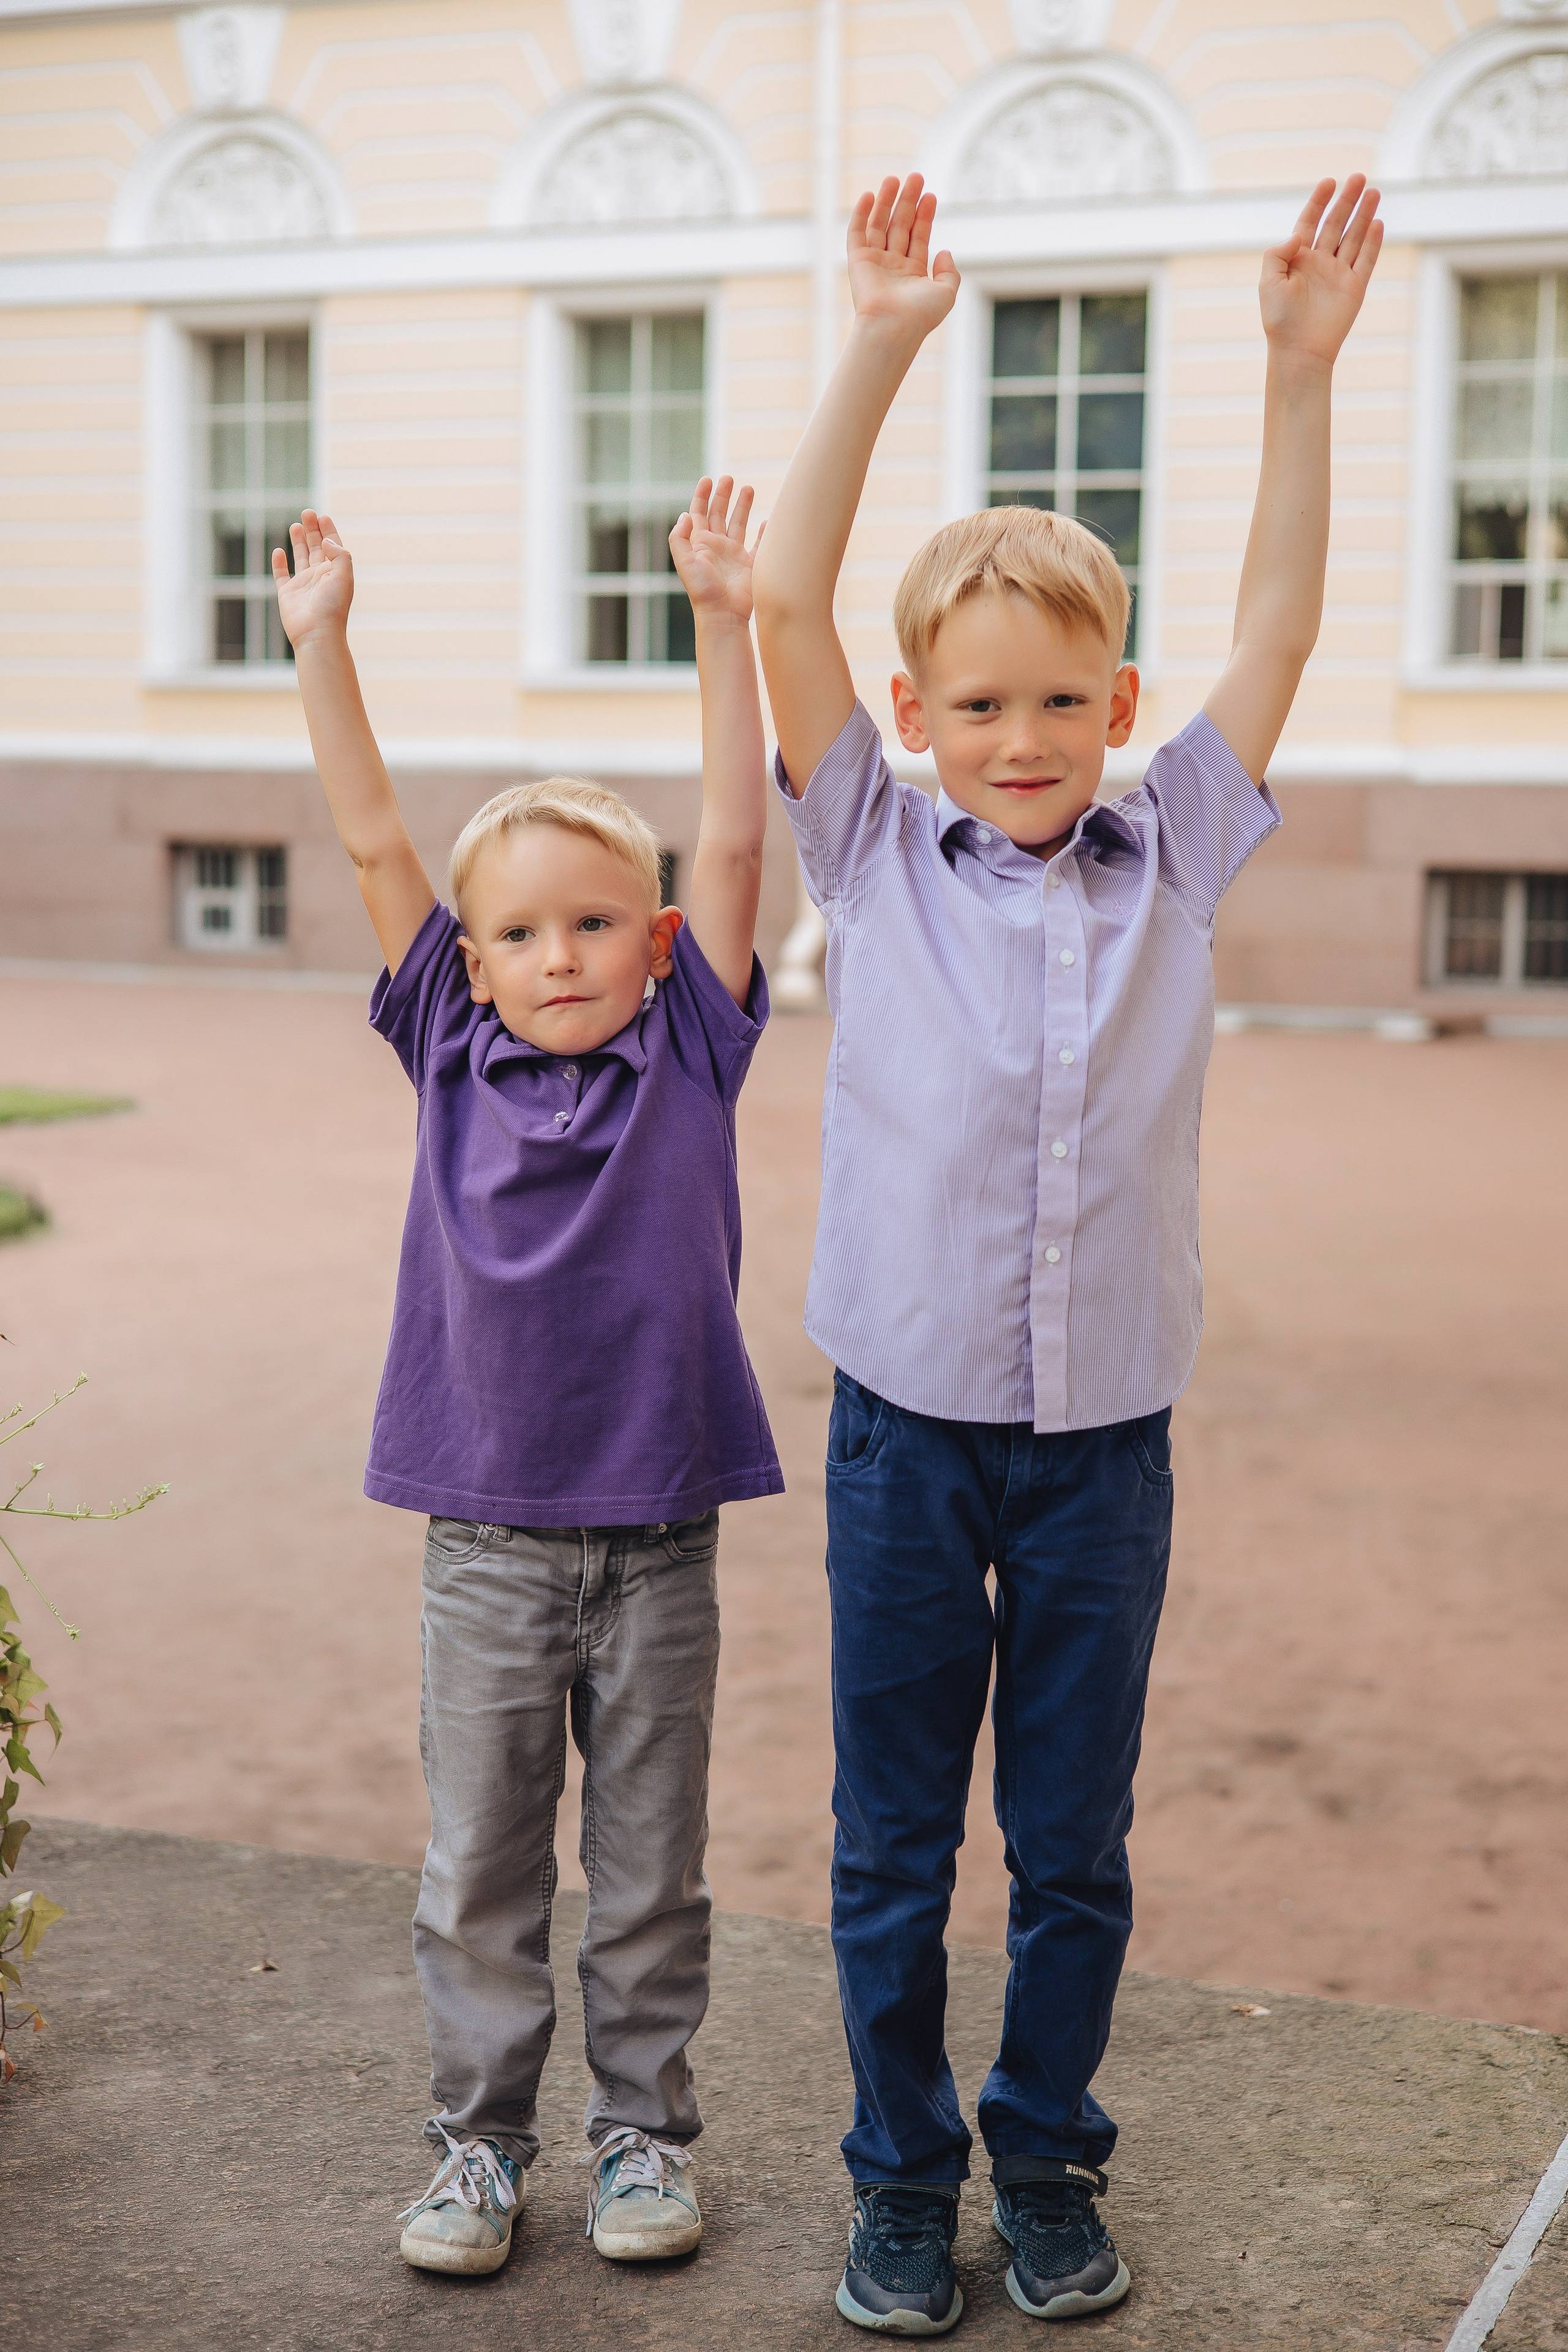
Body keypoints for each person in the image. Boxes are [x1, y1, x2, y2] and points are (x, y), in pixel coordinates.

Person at [752, 171, 1383, 2332]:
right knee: (895, 1846)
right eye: (979, 705)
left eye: (1060, 701)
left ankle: (1049, 2157)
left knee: (1077, 1850)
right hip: (904, 1434)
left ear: (1116, 708)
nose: (1019, 741)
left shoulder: (1174, 849)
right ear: (920, 719)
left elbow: (1280, 624)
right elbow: (786, 603)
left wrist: (1300, 372)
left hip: (1105, 1439)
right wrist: (883, 338)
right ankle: (902, 2176)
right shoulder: (870, 842)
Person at [273, 477, 782, 2278]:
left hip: (658, 1538)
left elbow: (731, 837)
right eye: (520, 932)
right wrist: (325, 646)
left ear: (652, 943)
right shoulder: (446, 1054)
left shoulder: (691, 1055)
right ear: (471, 962)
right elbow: (364, 843)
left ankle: (643, 2140)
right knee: (481, 1870)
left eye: (596, 922)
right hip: (484, 1541)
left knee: (648, 1876)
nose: (560, 953)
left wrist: (727, 620)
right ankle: (477, 2151)